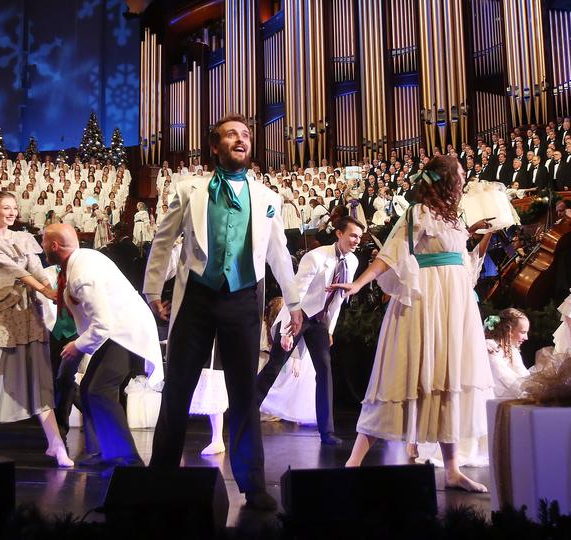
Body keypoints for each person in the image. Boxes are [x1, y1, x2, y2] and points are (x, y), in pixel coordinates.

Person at [143, 114, 302, 511]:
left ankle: (253, 485)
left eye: (246, 134)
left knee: (244, 394)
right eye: (232, 134)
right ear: (215, 146)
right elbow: (163, 241)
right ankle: (159, 478)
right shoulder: (189, 189)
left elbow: (279, 254)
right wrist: (152, 291)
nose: (241, 139)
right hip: (196, 299)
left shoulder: (267, 197)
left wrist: (295, 302)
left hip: (242, 301)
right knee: (177, 389)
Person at [331, 155, 494, 493]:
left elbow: (455, 255)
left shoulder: (455, 218)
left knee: (447, 377)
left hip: (454, 305)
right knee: (401, 375)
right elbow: (391, 253)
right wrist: (359, 283)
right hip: (426, 302)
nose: (464, 178)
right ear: (445, 180)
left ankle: (452, 470)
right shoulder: (417, 213)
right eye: (460, 173)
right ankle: (353, 463)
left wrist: (471, 232)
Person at [0, 192, 72, 466]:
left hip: (26, 312)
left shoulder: (23, 238)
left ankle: (56, 444)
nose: (11, 212)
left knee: (38, 377)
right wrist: (44, 289)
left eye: (15, 208)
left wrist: (55, 291)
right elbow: (9, 270)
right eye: (6, 208)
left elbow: (37, 269)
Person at [42, 224, 162, 471]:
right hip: (117, 330)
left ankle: (128, 460)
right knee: (89, 388)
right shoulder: (81, 259)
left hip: (124, 332)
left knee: (99, 389)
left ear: (54, 245)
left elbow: (104, 323)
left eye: (44, 242)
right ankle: (103, 451)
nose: (42, 247)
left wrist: (77, 346)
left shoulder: (81, 275)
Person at [256, 217, 362, 446]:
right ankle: (246, 412)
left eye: (359, 237)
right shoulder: (316, 257)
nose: (357, 241)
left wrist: (329, 329)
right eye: (353, 235)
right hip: (298, 316)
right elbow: (296, 293)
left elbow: (338, 299)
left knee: (324, 369)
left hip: (319, 320)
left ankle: (327, 432)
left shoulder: (352, 262)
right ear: (339, 233)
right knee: (275, 365)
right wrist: (286, 332)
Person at [484, 308, 531, 398]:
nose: (526, 338)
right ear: (508, 330)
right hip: (493, 400)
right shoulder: (490, 347)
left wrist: (535, 388)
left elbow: (524, 375)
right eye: (523, 332)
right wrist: (527, 394)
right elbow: (503, 376)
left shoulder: (513, 351)